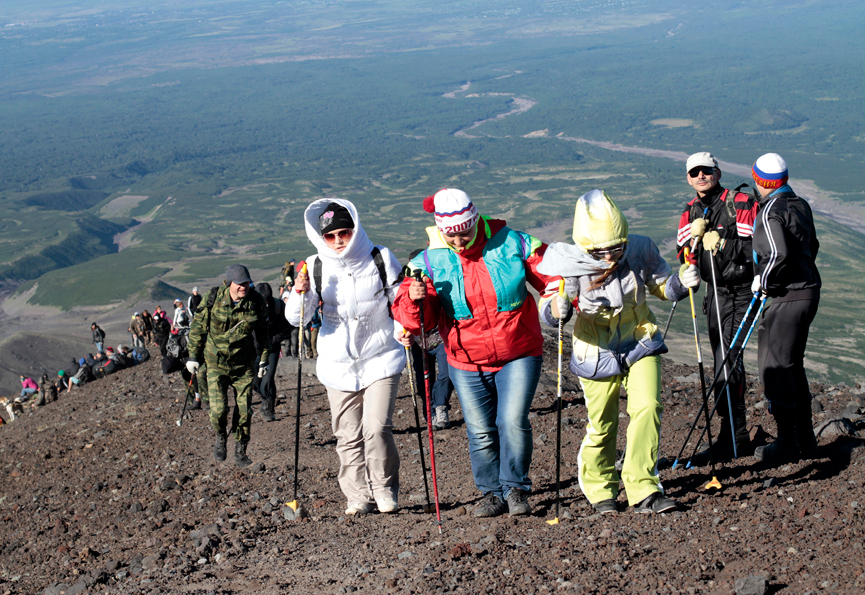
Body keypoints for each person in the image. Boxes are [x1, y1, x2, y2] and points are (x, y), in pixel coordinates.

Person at [393, 188, 559, 518]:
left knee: (511, 421)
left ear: (476, 221)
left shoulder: (514, 243)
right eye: (450, 235)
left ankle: (515, 489)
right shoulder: (425, 264)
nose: (458, 241)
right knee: (480, 431)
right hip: (464, 360)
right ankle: (491, 493)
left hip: (519, 352)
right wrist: (414, 299)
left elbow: (552, 275)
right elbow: (416, 323)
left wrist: (559, 302)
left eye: (464, 232)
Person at [538, 189, 700, 514]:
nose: (611, 255)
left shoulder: (640, 248)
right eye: (602, 251)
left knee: (649, 406)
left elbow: (661, 286)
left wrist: (682, 283)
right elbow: (549, 306)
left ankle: (643, 489)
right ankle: (601, 491)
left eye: (617, 247)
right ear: (586, 245)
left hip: (640, 337)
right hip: (594, 349)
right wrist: (557, 308)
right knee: (603, 424)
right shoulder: (567, 262)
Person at [288, 199, 405, 516]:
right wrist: (301, 295)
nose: (339, 240)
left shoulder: (380, 257)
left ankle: (383, 489)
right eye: (330, 235)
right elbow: (298, 319)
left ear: (355, 228)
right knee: (347, 434)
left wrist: (409, 323)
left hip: (381, 356)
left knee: (377, 427)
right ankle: (357, 496)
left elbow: (401, 301)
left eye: (344, 231)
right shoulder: (315, 266)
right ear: (320, 237)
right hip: (337, 364)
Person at [676, 152, 761, 463]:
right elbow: (684, 254)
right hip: (715, 294)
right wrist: (692, 246)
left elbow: (758, 250)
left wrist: (725, 244)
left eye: (706, 171)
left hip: (742, 291)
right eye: (694, 172)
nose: (701, 176)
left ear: (718, 172)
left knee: (728, 358)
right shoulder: (691, 210)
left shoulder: (739, 203)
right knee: (721, 360)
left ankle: (733, 437)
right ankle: (731, 434)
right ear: (688, 177)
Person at [749, 153, 821, 465]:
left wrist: (762, 281)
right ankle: (806, 439)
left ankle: (787, 442)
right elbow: (813, 246)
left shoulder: (770, 211)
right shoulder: (800, 205)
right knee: (793, 365)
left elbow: (777, 253)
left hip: (785, 297)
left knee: (774, 366)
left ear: (759, 180)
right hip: (808, 292)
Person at [187, 264, 271, 467]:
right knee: (218, 410)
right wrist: (193, 356)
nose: (244, 287)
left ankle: (241, 450)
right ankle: (221, 437)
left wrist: (263, 358)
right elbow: (198, 327)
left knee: (244, 411)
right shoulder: (213, 298)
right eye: (240, 283)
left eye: (247, 283)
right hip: (216, 364)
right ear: (229, 283)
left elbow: (263, 333)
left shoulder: (256, 301)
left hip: (244, 365)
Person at [255, 282, 291, 422]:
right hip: (253, 349)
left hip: (271, 348)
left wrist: (275, 340)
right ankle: (263, 394)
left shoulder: (278, 306)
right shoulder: (249, 307)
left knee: (268, 378)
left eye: (267, 299)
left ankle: (268, 407)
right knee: (254, 379)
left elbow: (287, 326)